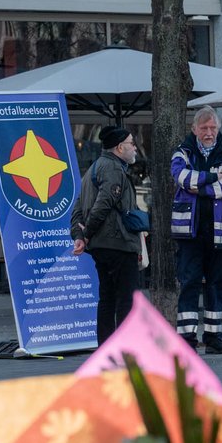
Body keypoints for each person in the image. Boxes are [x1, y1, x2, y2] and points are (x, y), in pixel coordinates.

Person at [171, 106, 222, 355]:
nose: (209, 132)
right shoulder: (182, 152)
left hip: (221, 232)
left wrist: (200, 187)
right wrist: (214, 177)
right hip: (190, 233)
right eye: (204, 128)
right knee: (189, 283)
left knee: (217, 283)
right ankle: (186, 340)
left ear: (218, 128)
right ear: (194, 129)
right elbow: (181, 177)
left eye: (213, 127)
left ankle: (213, 337)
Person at [71, 125, 141, 346]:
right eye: (131, 143)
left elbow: (77, 208)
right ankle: (124, 349)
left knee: (107, 299)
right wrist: (85, 234)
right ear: (120, 147)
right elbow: (103, 204)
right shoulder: (113, 169)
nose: (135, 148)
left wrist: (79, 236)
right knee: (125, 300)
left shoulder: (93, 168)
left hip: (102, 246)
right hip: (118, 243)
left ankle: (106, 348)